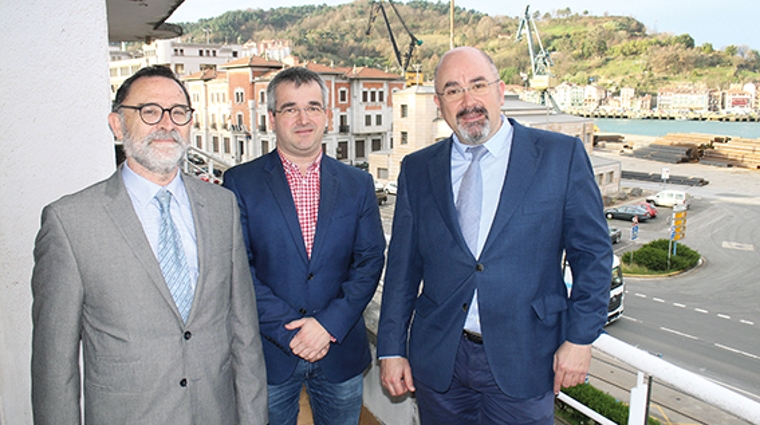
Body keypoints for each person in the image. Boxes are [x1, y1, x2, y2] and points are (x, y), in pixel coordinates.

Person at [376, 46, 612, 424]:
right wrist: (391, 349)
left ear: (500, 91)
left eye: (478, 85)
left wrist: (580, 339)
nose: (468, 100)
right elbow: (402, 269)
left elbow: (593, 256)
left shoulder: (559, 156)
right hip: (440, 361)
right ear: (439, 104)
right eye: (453, 90)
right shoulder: (418, 169)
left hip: (526, 356)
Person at [31, 65, 268, 425]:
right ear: (117, 124)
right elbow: (54, 366)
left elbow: (244, 332)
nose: (167, 124)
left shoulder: (222, 206)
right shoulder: (69, 222)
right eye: (149, 111)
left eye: (178, 112)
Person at [222, 67, 386, 425]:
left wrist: (327, 325)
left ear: (326, 115)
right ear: (271, 118)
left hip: (338, 347)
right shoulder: (239, 182)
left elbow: (370, 260)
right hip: (270, 352)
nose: (303, 118)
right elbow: (237, 268)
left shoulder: (358, 184)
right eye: (290, 108)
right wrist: (292, 332)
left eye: (313, 107)